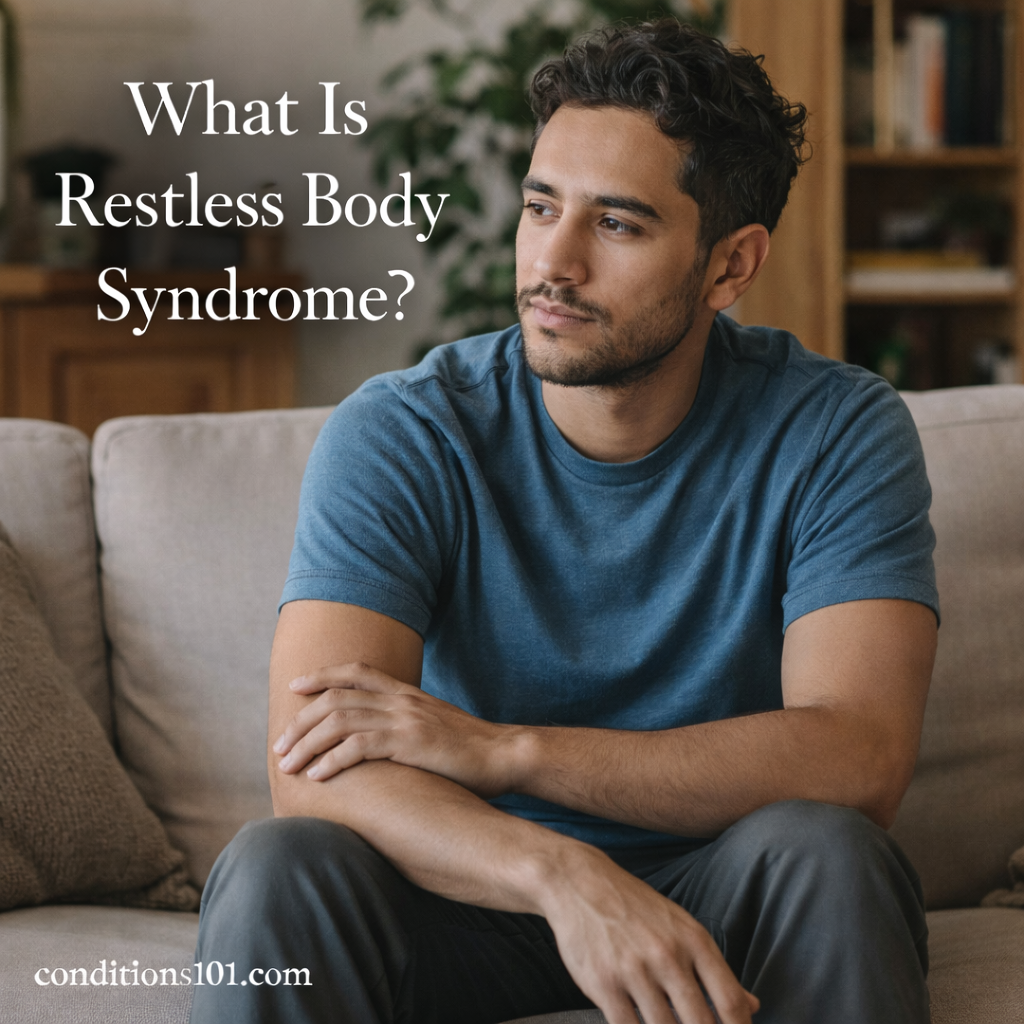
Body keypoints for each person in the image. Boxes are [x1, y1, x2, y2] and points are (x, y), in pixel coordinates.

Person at [191, 18, 939, 1024]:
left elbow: (857, 758)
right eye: (541, 206)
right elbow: (315, 771)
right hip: (466, 889)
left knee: (830, 852)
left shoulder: (834, 429)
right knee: (278, 865)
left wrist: (509, 751)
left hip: (716, 892)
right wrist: (562, 874)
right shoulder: (409, 431)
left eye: (617, 225)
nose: (554, 261)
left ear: (729, 267)